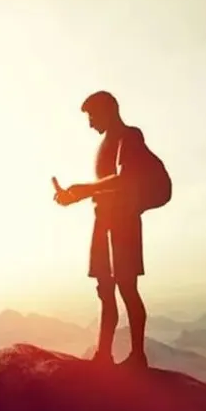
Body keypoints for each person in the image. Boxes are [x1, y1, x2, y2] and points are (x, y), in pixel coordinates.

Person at [52, 90, 151, 368]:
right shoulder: (107, 142)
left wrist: (84, 190)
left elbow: (124, 179)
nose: (90, 123)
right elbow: (106, 187)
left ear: (109, 110)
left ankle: (137, 356)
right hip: (103, 222)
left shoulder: (129, 137)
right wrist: (73, 197)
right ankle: (103, 355)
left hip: (123, 225)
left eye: (93, 116)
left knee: (127, 288)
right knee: (105, 289)